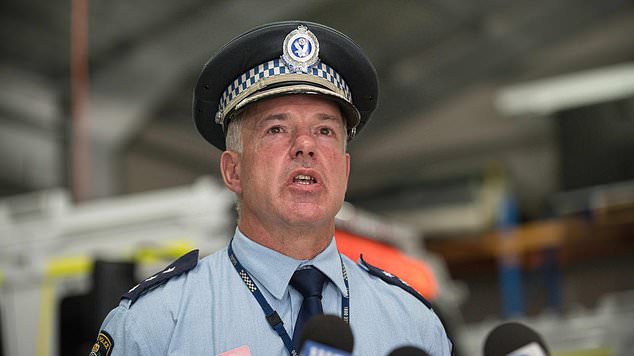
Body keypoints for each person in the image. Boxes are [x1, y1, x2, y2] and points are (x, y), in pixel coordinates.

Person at [90, 21, 453, 356]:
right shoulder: (156, 323)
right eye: (276, 129)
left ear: (344, 171)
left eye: (325, 130)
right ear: (233, 171)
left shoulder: (413, 326)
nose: (305, 145)